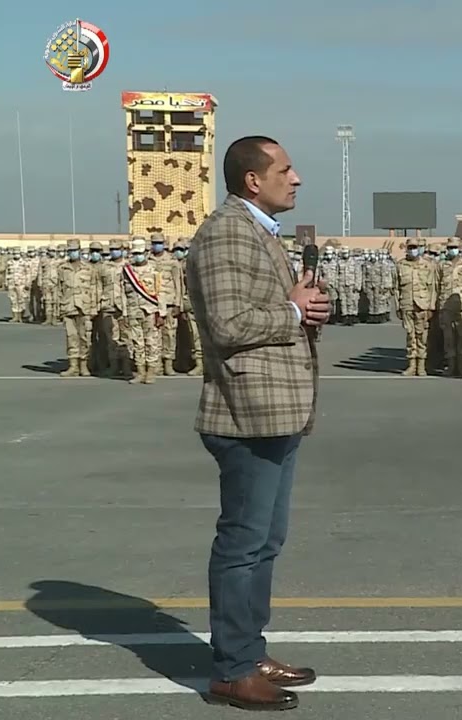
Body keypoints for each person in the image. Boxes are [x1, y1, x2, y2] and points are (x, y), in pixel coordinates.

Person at [186, 135, 331, 712]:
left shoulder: (259, 232)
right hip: (247, 414)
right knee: (244, 543)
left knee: (265, 541)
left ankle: (249, 649)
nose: (296, 179)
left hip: (276, 412)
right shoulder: (227, 232)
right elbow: (227, 324)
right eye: (286, 169)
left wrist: (305, 312)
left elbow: (263, 315)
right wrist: (292, 310)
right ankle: (232, 670)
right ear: (253, 179)